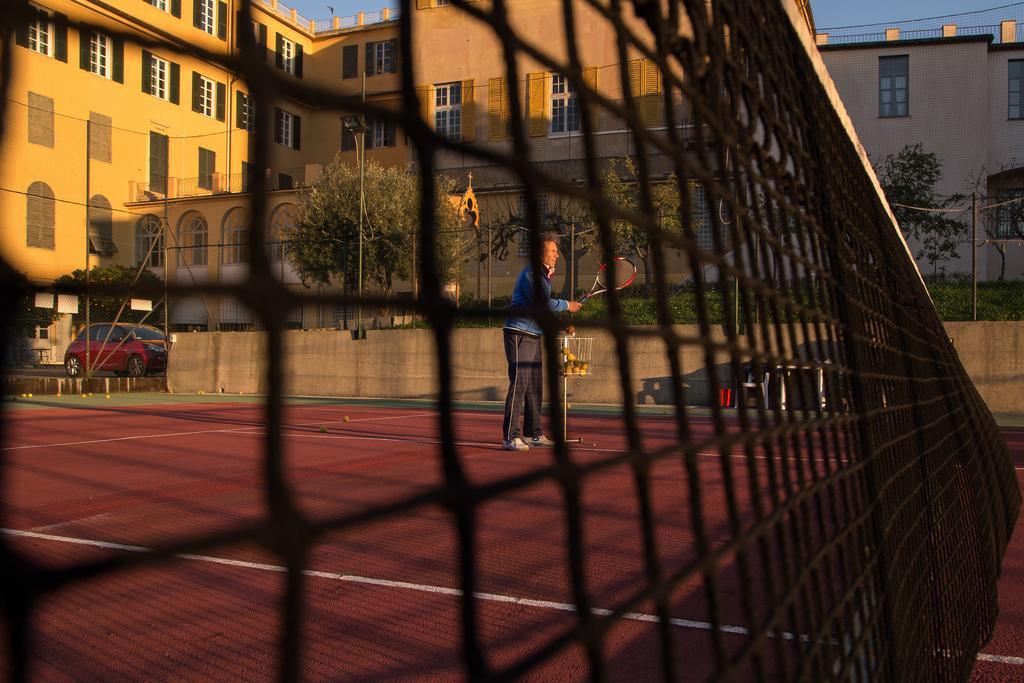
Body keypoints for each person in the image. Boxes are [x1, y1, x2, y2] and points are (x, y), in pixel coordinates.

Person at [502, 233, 581, 451]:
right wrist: (567, 305)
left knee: (535, 387)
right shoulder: (531, 274)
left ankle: (533, 433)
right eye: (553, 251)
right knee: (519, 384)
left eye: (557, 251)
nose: (557, 255)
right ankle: (510, 437)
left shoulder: (545, 276)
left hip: (534, 335)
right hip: (518, 332)